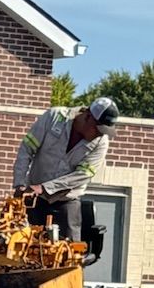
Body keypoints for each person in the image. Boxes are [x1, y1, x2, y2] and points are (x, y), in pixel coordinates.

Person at [12, 97, 120, 240]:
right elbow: (26, 149)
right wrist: (19, 184)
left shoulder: (101, 142)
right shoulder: (54, 117)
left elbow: (82, 175)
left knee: (70, 253)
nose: (100, 134)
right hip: (33, 200)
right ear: (87, 116)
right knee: (21, 246)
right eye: (98, 129)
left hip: (66, 203)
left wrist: (44, 188)